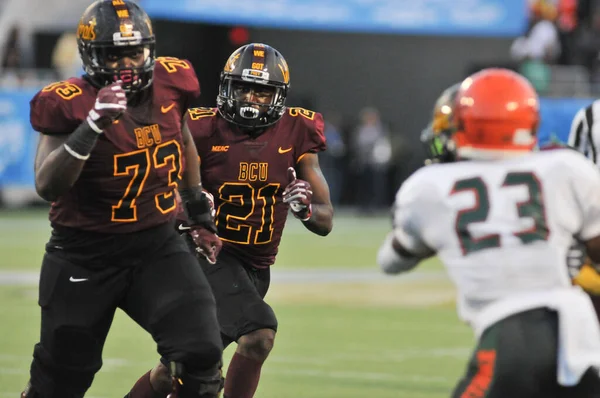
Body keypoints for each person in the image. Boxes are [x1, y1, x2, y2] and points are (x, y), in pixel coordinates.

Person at [22, 1, 224, 397]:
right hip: (84, 254)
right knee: (60, 383)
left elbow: (182, 140)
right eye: (114, 55)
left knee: (200, 353)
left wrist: (198, 212)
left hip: (156, 245)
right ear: (91, 56)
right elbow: (46, 185)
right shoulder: (68, 102)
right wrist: (92, 125)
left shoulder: (172, 81)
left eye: (135, 52)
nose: (127, 64)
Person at [377, 68, 600, 397]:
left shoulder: (429, 188)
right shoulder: (564, 168)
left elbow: (390, 261)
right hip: (580, 332)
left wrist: (424, 237)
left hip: (511, 330)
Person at [127, 43, 334, 398]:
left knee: (178, 371)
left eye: (262, 91)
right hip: (204, 256)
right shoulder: (200, 127)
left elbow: (326, 219)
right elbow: (150, 188)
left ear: (279, 96)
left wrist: (306, 210)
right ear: (226, 88)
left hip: (255, 268)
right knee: (259, 334)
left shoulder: (298, 129)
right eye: (244, 88)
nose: (252, 99)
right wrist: (187, 204)